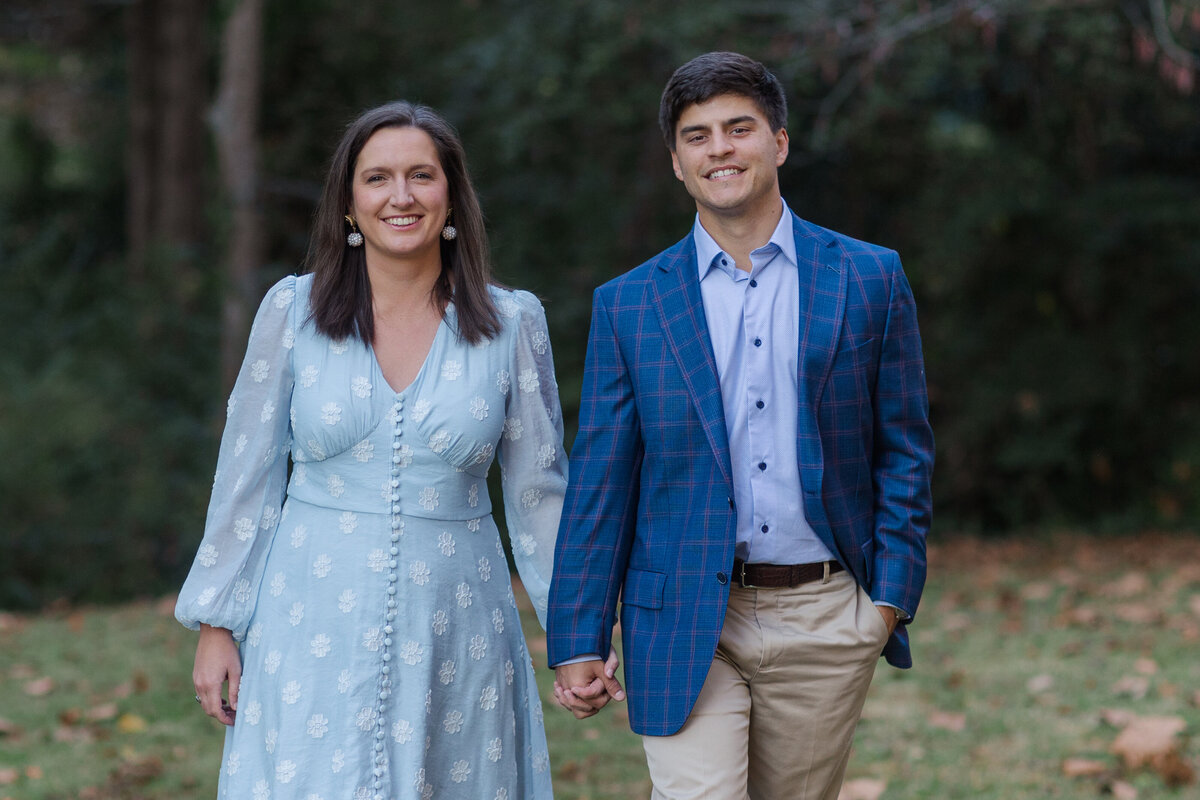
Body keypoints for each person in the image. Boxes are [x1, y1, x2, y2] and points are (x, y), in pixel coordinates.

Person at [546, 51, 934, 800]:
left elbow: (905, 449)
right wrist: (578, 637)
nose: (719, 148)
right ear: (677, 163)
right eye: (697, 136)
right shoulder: (630, 305)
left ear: (778, 142)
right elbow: (601, 479)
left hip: (828, 613)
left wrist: (887, 601)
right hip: (683, 613)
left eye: (738, 128)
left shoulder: (868, 277)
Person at [177, 100, 570, 800]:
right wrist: (217, 621)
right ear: (349, 204)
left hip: (459, 621)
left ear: (451, 195)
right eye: (378, 178)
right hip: (308, 617)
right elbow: (247, 472)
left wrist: (575, 636)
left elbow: (539, 494)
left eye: (421, 175)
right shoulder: (291, 312)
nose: (401, 196)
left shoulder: (514, 322)